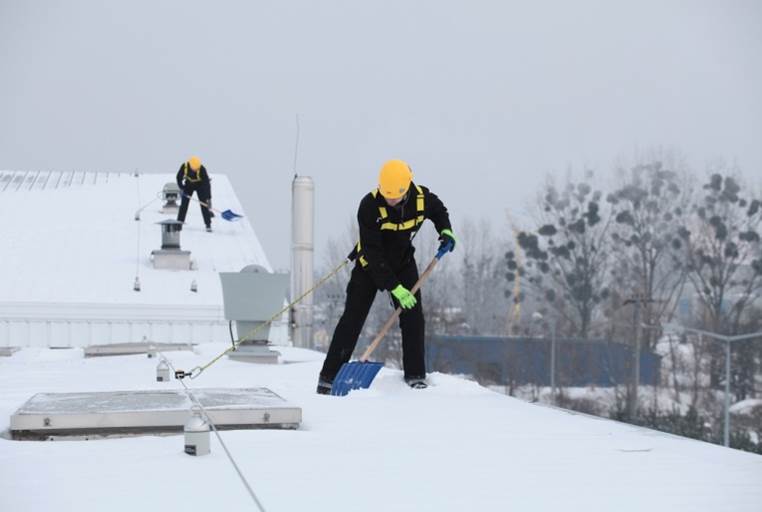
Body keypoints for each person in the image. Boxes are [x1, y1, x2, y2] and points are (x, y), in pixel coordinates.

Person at [317, 159, 457, 394]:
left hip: (403, 264)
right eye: (387, 195)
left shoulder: (422, 199)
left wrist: (446, 231)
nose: (390, 200)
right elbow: (372, 253)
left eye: (395, 196)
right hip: (369, 266)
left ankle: (415, 375)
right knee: (352, 319)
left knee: (413, 317)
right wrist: (395, 288)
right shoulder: (369, 206)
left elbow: (439, 211)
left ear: (407, 188)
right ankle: (329, 377)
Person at [176, 156, 213, 232]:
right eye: (194, 168)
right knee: (184, 205)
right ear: (190, 165)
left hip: (200, 186)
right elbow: (178, 177)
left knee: (204, 205)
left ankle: (208, 224)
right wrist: (181, 188)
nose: (195, 170)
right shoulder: (184, 166)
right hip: (188, 186)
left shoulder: (202, 169)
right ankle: (179, 223)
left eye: (196, 168)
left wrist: (208, 198)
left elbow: (207, 185)